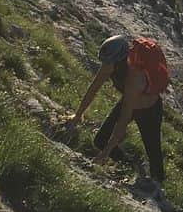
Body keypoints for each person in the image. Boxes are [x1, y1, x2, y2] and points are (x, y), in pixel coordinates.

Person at [63, 34, 170, 183]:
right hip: (128, 101)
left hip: (149, 111)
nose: (107, 66)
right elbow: (94, 88)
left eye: (110, 62)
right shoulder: (111, 64)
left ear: (120, 60)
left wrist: (104, 155)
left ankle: (158, 189)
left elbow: (122, 121)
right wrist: (77, 116)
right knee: (100, 140)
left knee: (153, 153)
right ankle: (132, 166)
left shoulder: (135, 79)